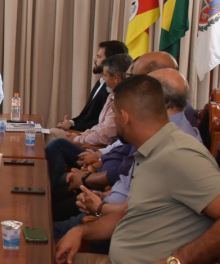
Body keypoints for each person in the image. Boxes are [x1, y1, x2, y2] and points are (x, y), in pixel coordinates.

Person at [54, 75, 220, 264]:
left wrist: (175, 263)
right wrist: (81, 231)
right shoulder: (152, 149)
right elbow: (124, 214)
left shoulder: (180, 156)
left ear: (125, 116)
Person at [54, 69, 202, 242]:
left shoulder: (180, 149)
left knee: (38, 230)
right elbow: (136, 204)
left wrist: (174, 263)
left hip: (120, 233)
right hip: (110, 211)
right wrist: (101, 201)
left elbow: (143, 215)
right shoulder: (155, 138)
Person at [45, 53, 132, 189]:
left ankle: (51, 189)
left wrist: (81, 143)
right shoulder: (112, 96)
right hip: (99, 153)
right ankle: (53, 187)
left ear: (116, 78)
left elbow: (105, 135)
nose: (103, 80)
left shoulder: (124, 102)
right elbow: (99, 126)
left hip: (99, 151)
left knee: (57, 145)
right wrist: (81, 136)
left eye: (105, 76)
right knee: (55, 143)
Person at [55, 40, 129, 131]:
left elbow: (100, 121)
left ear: (110, 60)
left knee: (51, 135)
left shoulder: (111, 89)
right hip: (83, 133)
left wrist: (72, 126)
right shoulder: (100, 82)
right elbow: (85, 116)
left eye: (98, 57)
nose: (94, 60)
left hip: (90, 136)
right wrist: (70, 122)